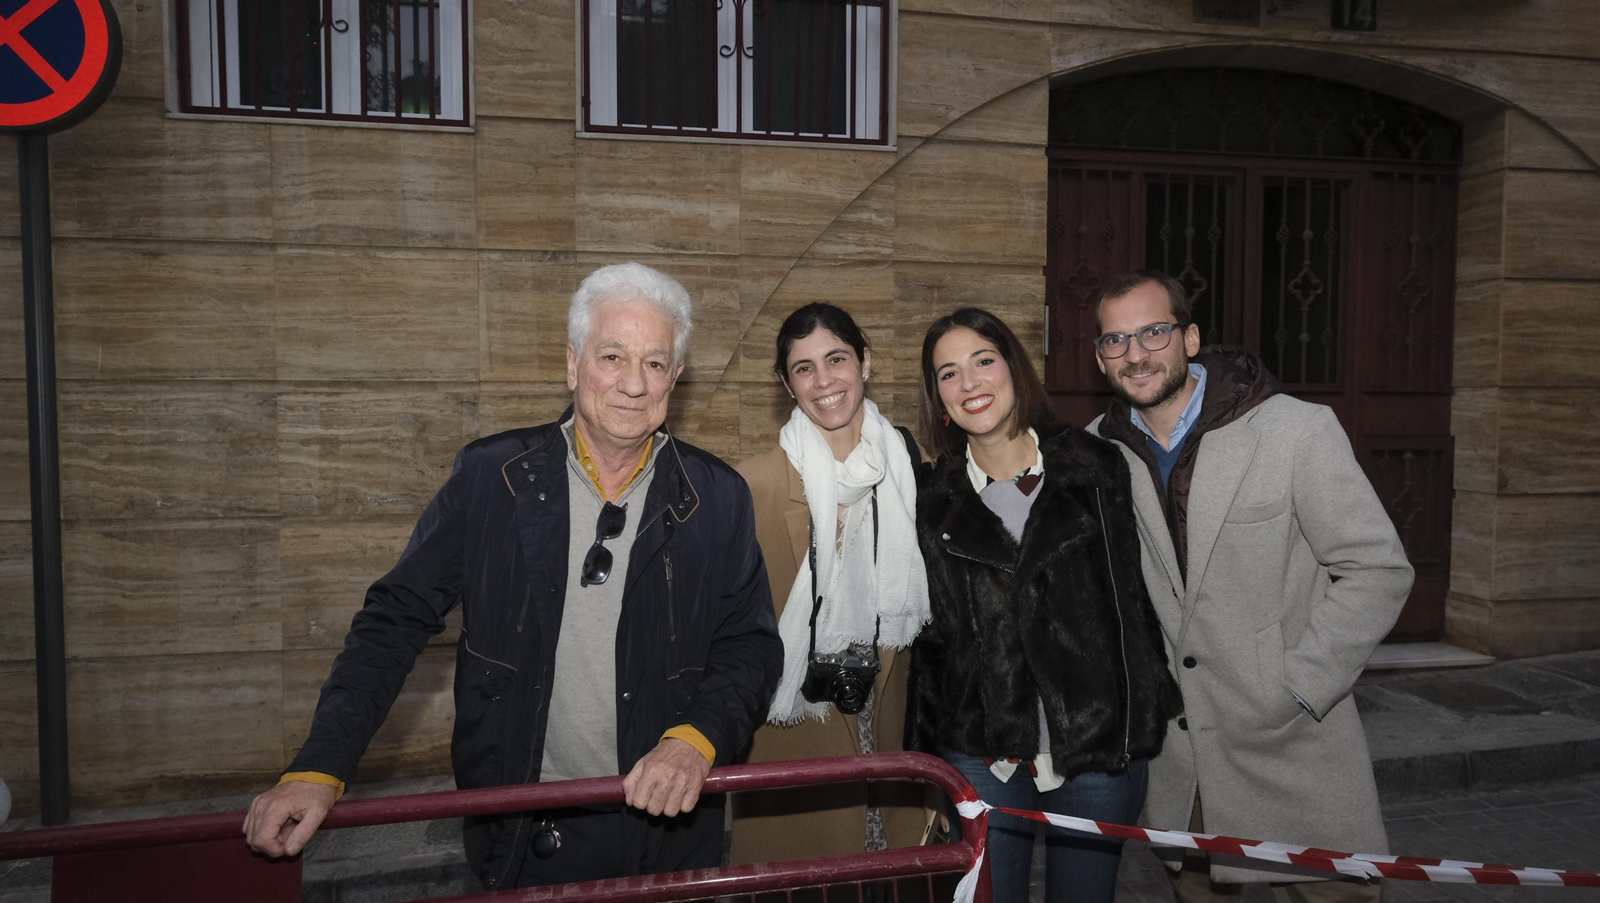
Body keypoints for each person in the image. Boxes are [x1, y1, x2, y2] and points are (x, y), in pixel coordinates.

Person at [243, 263, 783, 890]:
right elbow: (393, 621)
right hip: (523, 829)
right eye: (612, 356)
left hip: (668, 829)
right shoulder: (492, 479)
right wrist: (319, 766)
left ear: (676, 377)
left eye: (655, 363)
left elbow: (750, 645)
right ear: (573, 364)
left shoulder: (717, 496)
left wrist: (696, 739)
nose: (634, 383)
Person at [1087, 270, 1413, 903]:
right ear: (1100, 357)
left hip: (1294, 742)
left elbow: (1378, 568)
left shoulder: (1295, 430)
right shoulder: (1099, 450)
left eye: (1153, 332)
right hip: (1183, 762)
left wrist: (1301, 683)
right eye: (1115, 340)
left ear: (1190, 339)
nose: (1135, 354)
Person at [905, 308, 1181, 903]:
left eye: (983, 361)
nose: (970, 383)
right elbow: (933, 639)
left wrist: (1137, 720)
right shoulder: (930, 499)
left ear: (1013, 367)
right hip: (982, 753)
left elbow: (1131, 604)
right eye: (948, 373)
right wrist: (927, 755)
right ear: (938, 397)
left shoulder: (1095, 466)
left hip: (1093, 749)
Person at [730, 303, 931, 866]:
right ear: (786, 384)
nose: (823, 381)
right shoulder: (751, 485)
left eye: (836, 359)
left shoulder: (912, 469)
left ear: (865, 362)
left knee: (889, 877)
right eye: (804, 368)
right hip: (797, 732)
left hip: (891, 725)